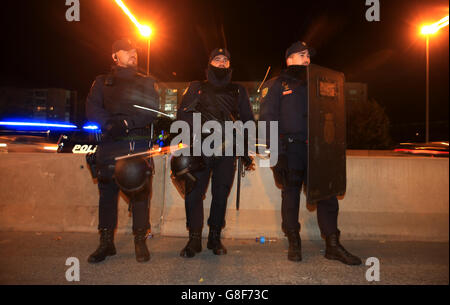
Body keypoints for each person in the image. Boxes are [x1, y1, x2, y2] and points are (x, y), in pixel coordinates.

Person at [259, 41, 362, 265]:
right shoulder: (276, 84)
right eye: (301, 55)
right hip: (290, 149)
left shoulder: (320, 83)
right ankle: (294, 241)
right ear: (289, 59)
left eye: (308, 56)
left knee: (327, 195)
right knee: (291, 195)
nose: (307, 59)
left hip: (319, 149)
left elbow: (333, 112)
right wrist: (277, 153)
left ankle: (333, 245)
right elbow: (268, 120)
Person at [175, 48, 255, 258]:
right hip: (200, 149)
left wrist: (244, 146)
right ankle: (193, 239)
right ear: (209, 63)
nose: (221, 63)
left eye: (225, 60)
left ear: (229, 66)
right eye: (217, 59)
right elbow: (182, 115)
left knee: (220, 195)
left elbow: (247, 120)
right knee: (193, 194)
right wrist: (198, 134)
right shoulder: (196, 87)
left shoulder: (238, 90)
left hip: (227, 151)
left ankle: (214, 237)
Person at [85, 39, 159, 263]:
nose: (133, 54)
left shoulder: (146, 82)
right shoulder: (101, 82)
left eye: (135, 51)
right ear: (115, 56)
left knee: (139, 195)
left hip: (136, 146)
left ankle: (140, 241)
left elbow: (151, 111)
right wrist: (109, 125)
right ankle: (106, 243)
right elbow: (92, 108)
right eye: (126, 51)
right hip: (109, 146)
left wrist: (126, 124)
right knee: (107, 196)